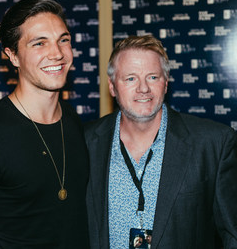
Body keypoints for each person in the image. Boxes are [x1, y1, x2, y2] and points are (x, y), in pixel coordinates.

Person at [0, 0, 90, 248]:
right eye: (39, 43)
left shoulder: (73, 121)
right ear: (12, 55)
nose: (57, 53)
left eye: (63, 40)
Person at [85, 35, 237, 248]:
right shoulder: (85, 142)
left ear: (166, 84)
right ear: (112, 86)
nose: (143, 88)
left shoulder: (213, 144)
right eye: (130, 78)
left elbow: (233, 233)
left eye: (153, 77)